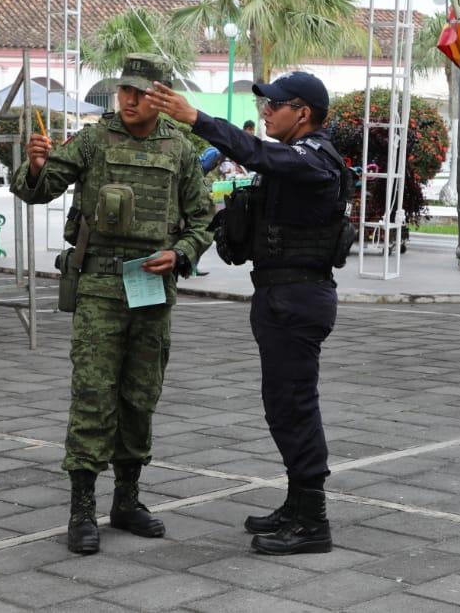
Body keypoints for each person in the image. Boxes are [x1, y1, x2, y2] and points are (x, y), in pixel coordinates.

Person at [10, 53, 213, 556]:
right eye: (124, 90)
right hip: (100, 287)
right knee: (94, 394)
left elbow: (205, 217)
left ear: (159, 96)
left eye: (140, 92)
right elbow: (38, 189)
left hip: (151, 289)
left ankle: (127, 500)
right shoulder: (95, 140)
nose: (127, 99)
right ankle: (82, 508)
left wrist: (181, 253)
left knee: (140, 396)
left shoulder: (180, 149)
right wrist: (35, 166)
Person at [148, 71, 350, 556]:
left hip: (298, 298)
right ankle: (296, 503)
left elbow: (259, 153)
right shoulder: (292, 159)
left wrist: (197, 118)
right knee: (283, 406)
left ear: (303, 113)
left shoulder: (312, 158)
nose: (266, 110)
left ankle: (312, 520)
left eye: (275, 104)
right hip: (281, 296)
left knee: (294, 406)